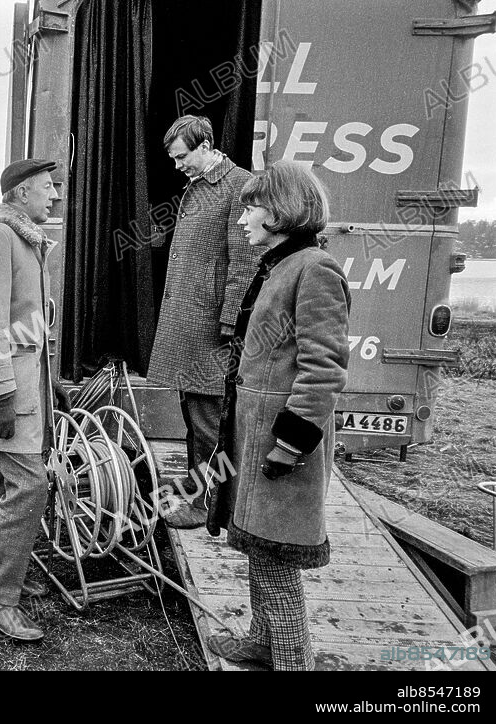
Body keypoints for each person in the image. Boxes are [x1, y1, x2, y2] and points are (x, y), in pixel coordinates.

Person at [205, 160, 350, 670]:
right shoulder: (281, 265)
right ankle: (264, 642)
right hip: (258, 438)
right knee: (260, 548)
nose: (243, 218)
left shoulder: (315, 269)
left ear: (282, 212)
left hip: (282, 447)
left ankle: (292, 662)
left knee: (277, 563)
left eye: (252, 207)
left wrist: (289, 445)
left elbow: (324, 367)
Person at [0, 158, 69, 642]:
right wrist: (1, 395)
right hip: (4, 391)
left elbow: (26, 323)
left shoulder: (22, 240)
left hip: (22, 386)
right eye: (48, 188)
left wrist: (51, 383)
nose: (56, 196)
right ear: (22, 194)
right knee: (30, 487)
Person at [147, 115, 260, 529]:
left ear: (207, 145)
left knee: (210, 420)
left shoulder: (237, 185)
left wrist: (229, 322)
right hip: (192, 323)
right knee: (195, 412)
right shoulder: (200, 186)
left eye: (182, 157)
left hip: (211, 327)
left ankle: (208, 505)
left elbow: (244, 261)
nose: (178, 166)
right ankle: (201, 491)